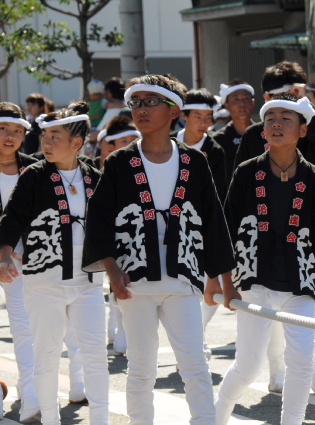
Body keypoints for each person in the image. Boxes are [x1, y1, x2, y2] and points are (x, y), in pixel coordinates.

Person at [82, 74, 236, 425]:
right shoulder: (120, 162)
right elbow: (99, 220)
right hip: (134, 280)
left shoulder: (194, 161)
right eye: (136, 103)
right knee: (141, 366)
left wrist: (222, 280)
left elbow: (213, 220)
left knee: (194, 364)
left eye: (151, 102)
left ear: (174, 111)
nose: (141, 109)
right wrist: (112, 271)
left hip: (183, 278)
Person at [211, 94, 315, 425]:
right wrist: (222, 282)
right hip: (255, 283)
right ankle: (215, 417)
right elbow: (225, 228)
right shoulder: (246, 173)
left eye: (286, 118)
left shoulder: (313, 178)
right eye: (270, 119)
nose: (277, 124)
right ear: (263, 130)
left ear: (303, 130)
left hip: (301, 285)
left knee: (301, 363)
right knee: (248, 366)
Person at [0, 102, 108, 425]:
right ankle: (49, 419)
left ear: (77, 143)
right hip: (44, 281)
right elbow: (13, 217)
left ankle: (101, 419)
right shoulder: (33, 176)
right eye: (44, 137)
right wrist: (4, 252)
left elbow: (110, 224)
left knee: (95, 354)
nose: (46, 143)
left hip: (87, 283)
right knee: (46, 356)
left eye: (54, 137)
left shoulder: (94, 177)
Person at [0, 102, 41, 422]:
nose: (10, 136)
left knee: (24, 328)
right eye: (3, 128)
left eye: (17, 130)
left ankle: (30, 391)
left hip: (22, 261)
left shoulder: (35, 168)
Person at [233, 61, 315, 169]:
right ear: (267, 97)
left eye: (294, 97)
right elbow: (240, 176)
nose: (288, 103)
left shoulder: (306, 130)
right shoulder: (252, 135)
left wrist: (306, 107)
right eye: (281, 98)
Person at [175, 88, 227, 198]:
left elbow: (217, 192)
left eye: (208, 117)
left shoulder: (214, 150)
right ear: (184, 115)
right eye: (198, 117)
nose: (203, 123)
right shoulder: (168, 141)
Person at [211, 80, 256, 182]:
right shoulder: (217, 140)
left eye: (246, 98)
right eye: (236, 99)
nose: (242, 104)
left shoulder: (264, 135)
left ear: (253, 102)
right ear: (227, 105)